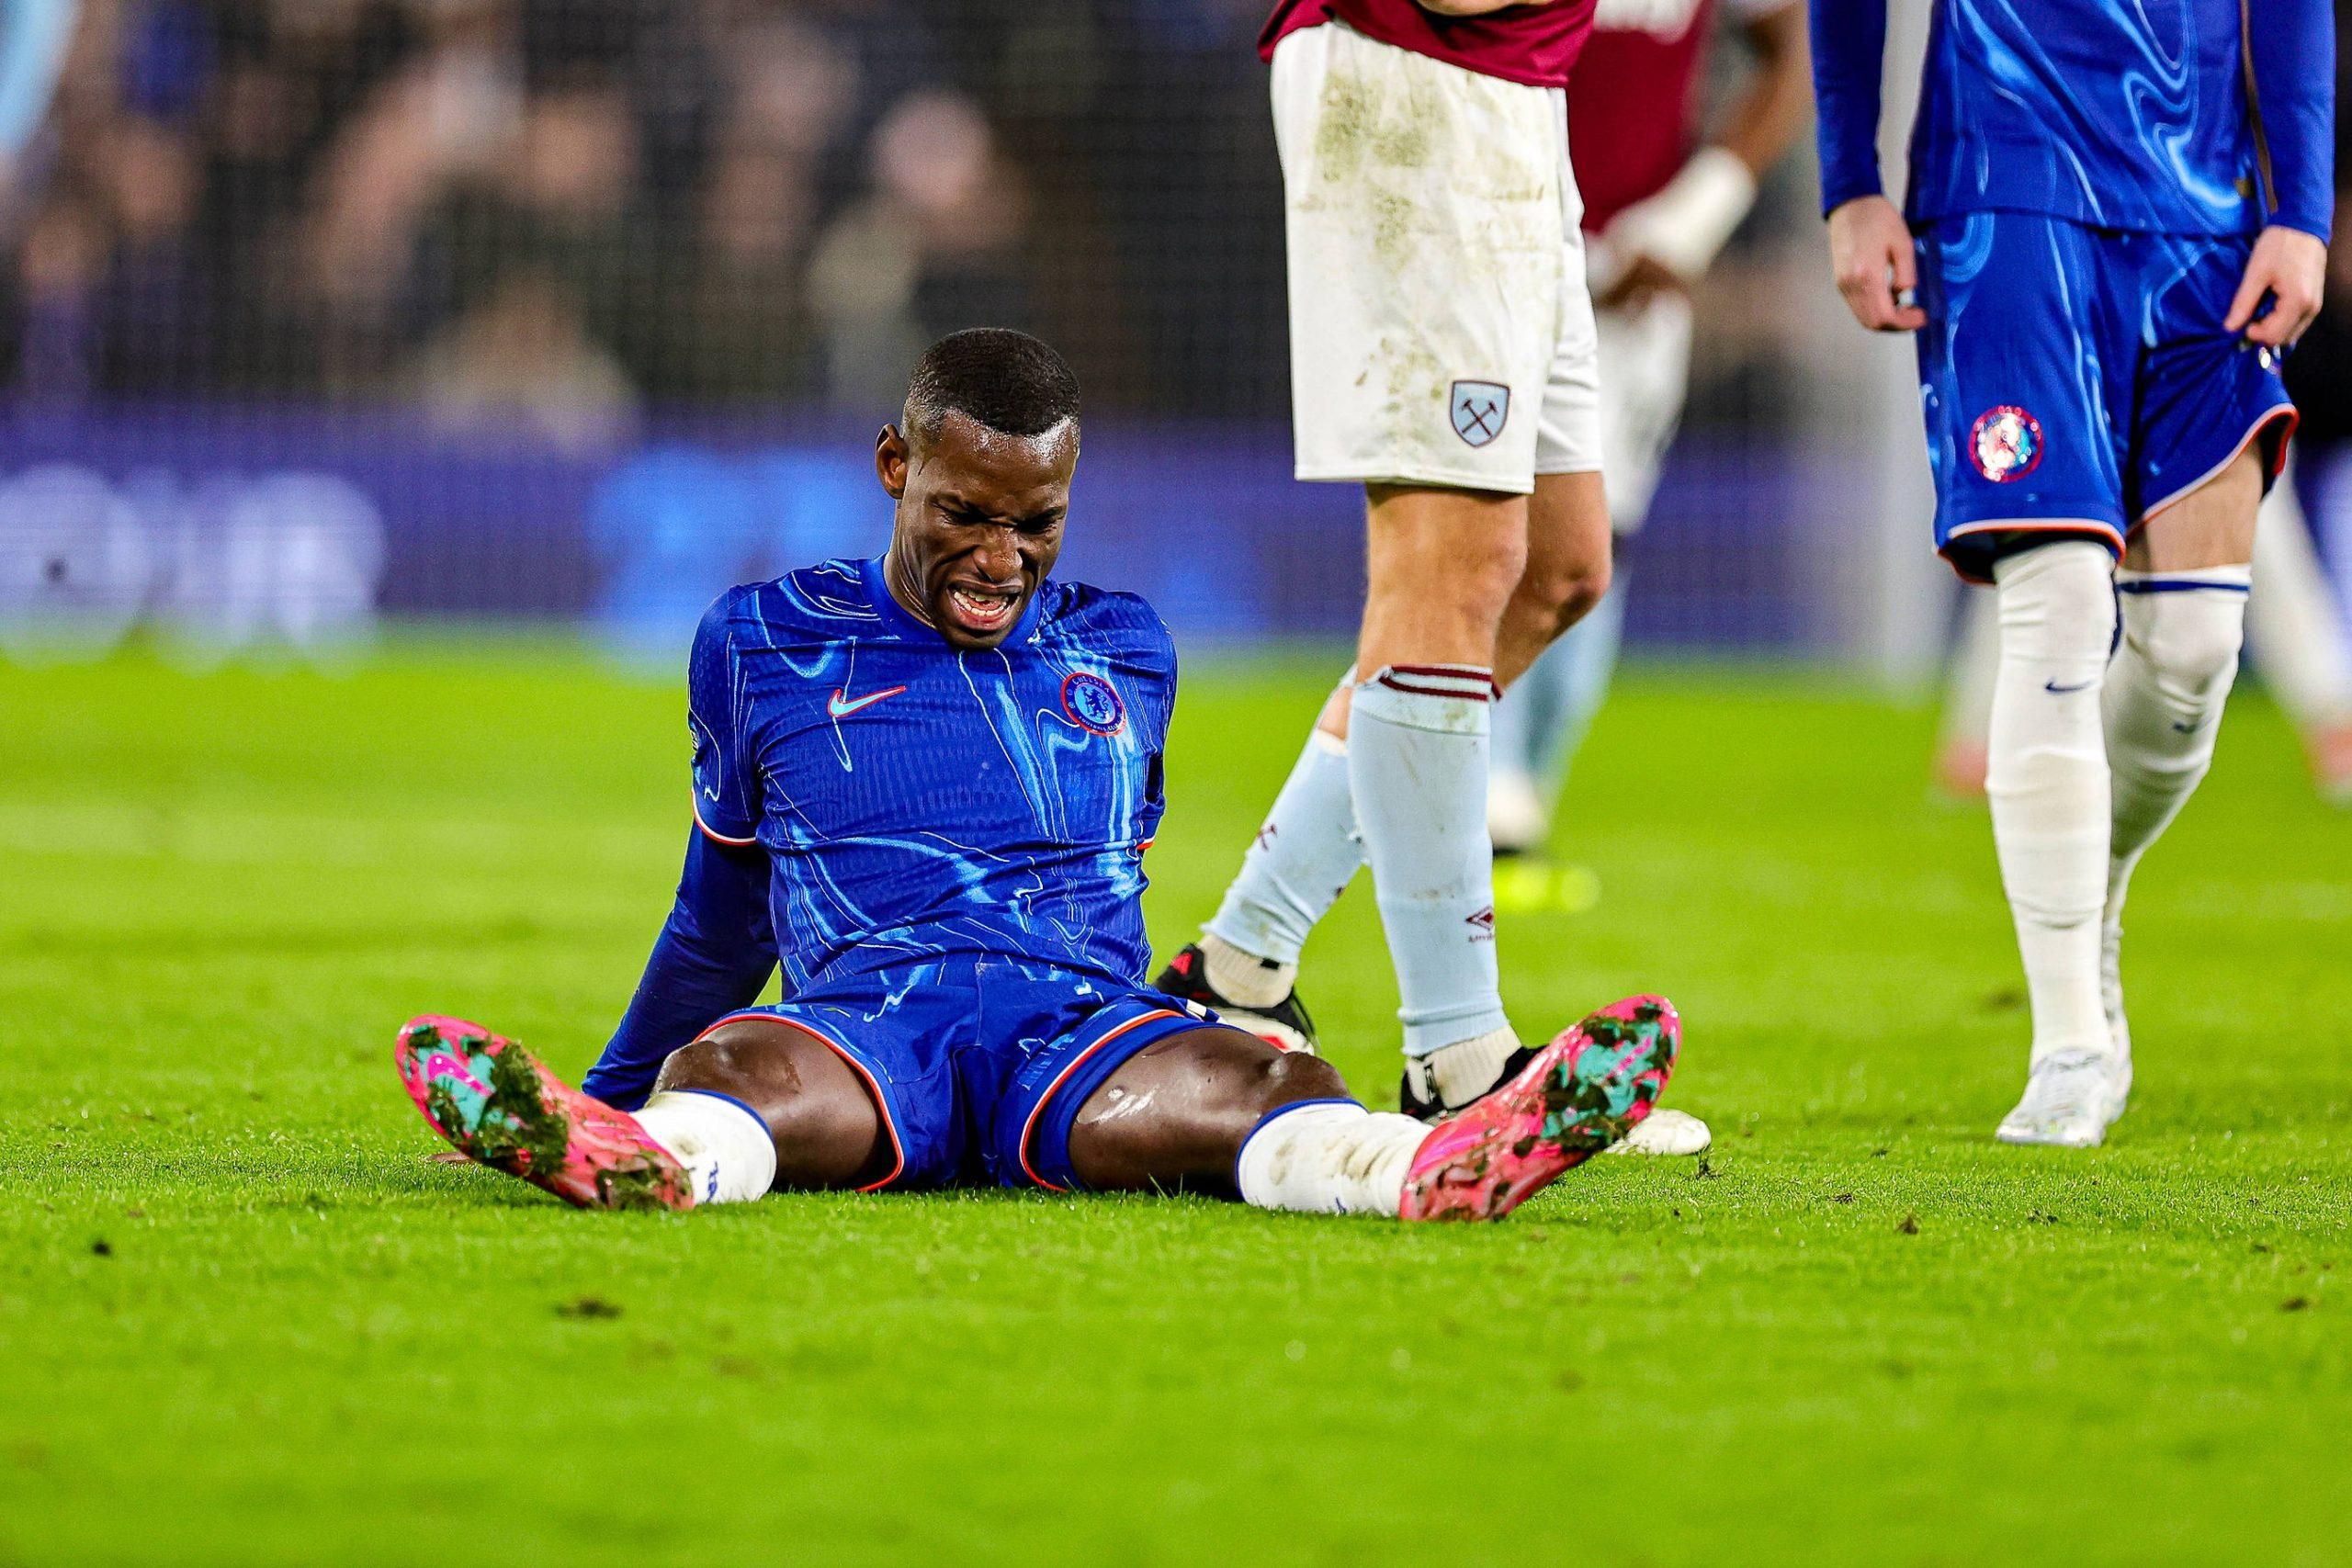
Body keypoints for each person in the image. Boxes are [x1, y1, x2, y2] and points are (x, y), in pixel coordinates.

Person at [395, 329, 1680, 1221]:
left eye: (1038, 524)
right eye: (966, 511)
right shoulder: (761, 640)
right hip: (862, 1028)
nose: (1002, 557)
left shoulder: (1129, 648)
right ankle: (637, 1159)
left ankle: (1426, 1170)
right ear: (895, 467)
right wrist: (607, 1093)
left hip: (1078, 1035)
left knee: (1268, 1075)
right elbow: (716, 915)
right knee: (727, 1069)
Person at [1813, 0, 2333, 1145]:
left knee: (2195, 654)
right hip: (2004, 191)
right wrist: (1849, 182)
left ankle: (2085, 886)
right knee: (2056, 608)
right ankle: (2067, 1048)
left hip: (2202, 216)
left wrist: (2300, 205)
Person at [1153, 0, 1622, 1127]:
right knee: (1451, 566)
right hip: (1418, 81)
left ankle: (1238, 967)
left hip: (1517, 99)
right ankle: (1457, 1060)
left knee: (1557, 569)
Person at [1486, 0, 1813, 858]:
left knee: (1596, 546)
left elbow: (1790, 58)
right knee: (1484, 511)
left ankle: (1527, 784)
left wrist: (1690, 222)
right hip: (1490, 258)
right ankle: (1484, 786)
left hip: (1633, 277)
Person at [1934, 458, 2352, 808]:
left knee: (2252, 510)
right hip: (2088, 367)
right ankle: (1985, 736)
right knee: (2048, 522)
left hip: (2199, 367)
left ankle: (2333, 718)